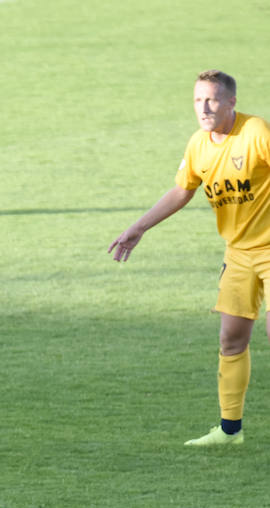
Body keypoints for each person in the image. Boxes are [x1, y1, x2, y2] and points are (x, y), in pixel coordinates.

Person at [109, 69, 270, 447]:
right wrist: (139, 227)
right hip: (239, 253)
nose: (205, 107)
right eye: (198, 100)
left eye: (213, 99)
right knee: (231, 340)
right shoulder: (198, 144)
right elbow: (182, 190)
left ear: (232, 101)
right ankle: (230, 432)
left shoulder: (256, 132)